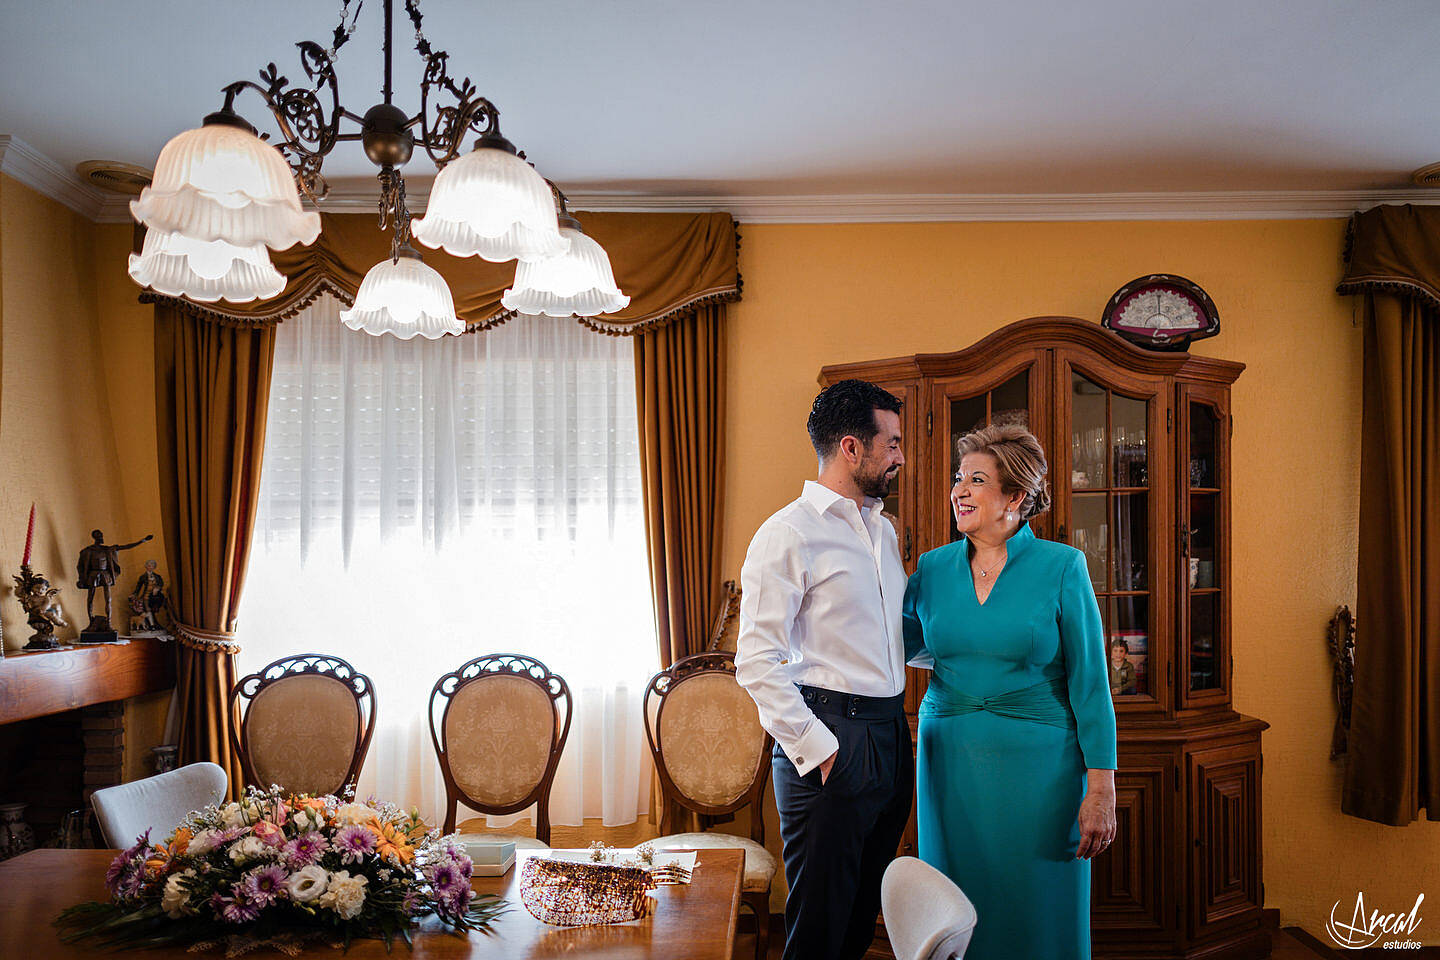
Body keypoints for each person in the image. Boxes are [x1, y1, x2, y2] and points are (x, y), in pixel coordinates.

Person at [902, 423, 1117, 960]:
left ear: (1015, 496)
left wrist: (1101, 788)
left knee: (1037, 909)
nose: (959, 490)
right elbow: (902, 646)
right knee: (954, 905)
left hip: (1042, 777)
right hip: (948, 767)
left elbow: (1091, 683)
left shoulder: (1063, 566)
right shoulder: (930, 569)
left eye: (977, 479)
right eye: (958, 479)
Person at [735, 379, 912, 960]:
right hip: (831, 739)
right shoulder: (787, 533)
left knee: (861, 920)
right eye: (891, 444)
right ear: (851, 448)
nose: (900, 458)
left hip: (890, 736)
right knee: (818, 931)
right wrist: (822, 746)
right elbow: (756, 663)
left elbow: (889, 640)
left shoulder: (882, 531)